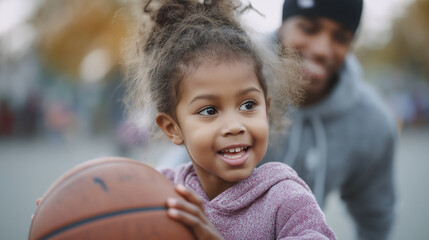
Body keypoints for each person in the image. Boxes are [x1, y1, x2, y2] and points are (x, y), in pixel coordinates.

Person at [122, 0, 336, 239]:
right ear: (173, 128)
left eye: (248, 105)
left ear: (266, 109)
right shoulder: (161, 193)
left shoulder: (287, 201)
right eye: (210, 111)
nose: (234, 126)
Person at [259, 0, 397, 240]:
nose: (323, 49)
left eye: (341, 37)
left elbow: (376, 219)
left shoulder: (372, 123)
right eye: (309, 29)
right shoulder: (231, 79)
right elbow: (182, 176)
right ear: (282, 25)